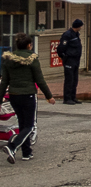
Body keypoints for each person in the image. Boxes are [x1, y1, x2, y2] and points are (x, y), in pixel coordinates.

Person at [2, 33, 56, 163]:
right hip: (28, 95)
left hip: (14, 95)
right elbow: (40, 79)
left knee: (22, 123)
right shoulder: (32, 59)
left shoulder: (8, 60)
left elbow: (4, 81)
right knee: (29, 126)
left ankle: (26, 152)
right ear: (28, 45)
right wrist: (49, 96)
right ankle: (12, 146)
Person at [56, 19, 84, 104]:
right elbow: (61, 48)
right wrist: (64, 56)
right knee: (69, 79)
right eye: (80, 26)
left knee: (75, 79)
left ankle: (73, 96)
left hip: (76, 59)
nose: (81, 28)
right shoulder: (67, 35)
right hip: (69, 59)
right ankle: (67, 98)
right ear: (78, 26)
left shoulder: (76, 34)